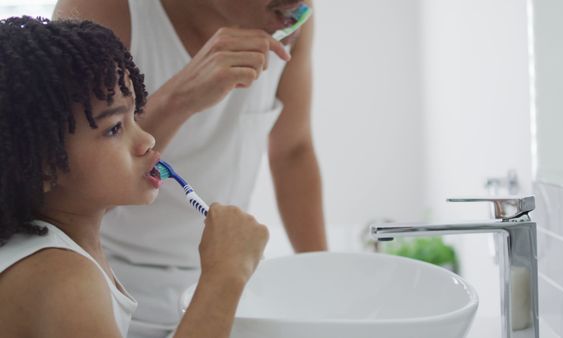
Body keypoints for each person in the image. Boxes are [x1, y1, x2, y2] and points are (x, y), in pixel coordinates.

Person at [52, 0, 328, 336]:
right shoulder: (100, 10)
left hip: (227, 281)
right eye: (117, 127)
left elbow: (292, 151)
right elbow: (65, 178)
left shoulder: (290, 19)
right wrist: (180, 98)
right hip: (115, 287)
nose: (301, 3)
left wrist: (323, 284)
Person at [0, 16, 268, 338]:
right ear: (43, 165)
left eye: (135, 115)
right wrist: (225, 274)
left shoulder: (56, 253)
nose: (147, 141)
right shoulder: (63, 278)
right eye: (114, 128)